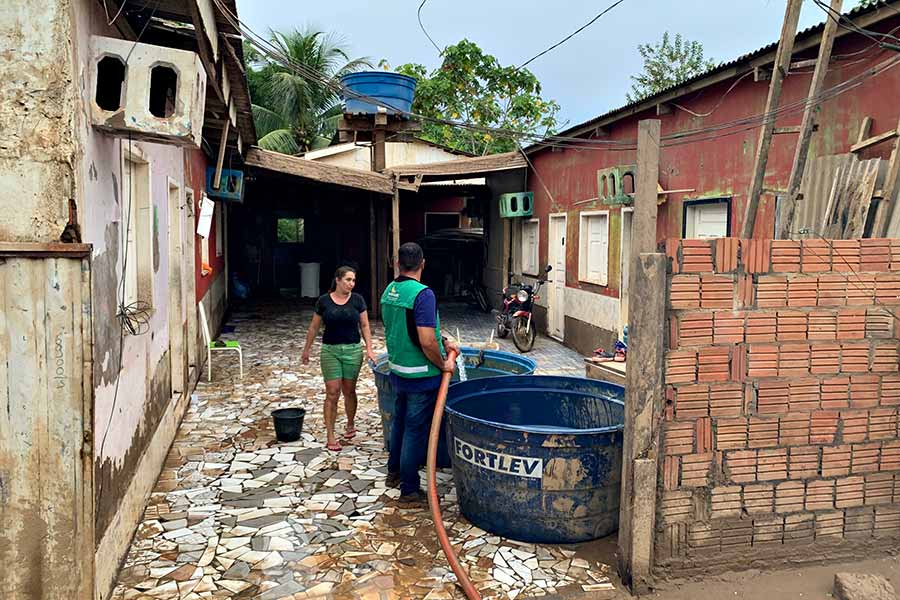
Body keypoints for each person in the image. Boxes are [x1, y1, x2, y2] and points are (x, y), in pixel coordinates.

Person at [380, 242, 457, 504]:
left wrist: (443, 339)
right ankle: (410, 489)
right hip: (421, 375)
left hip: (398, 370)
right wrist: (444, 363)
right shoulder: (423, 294)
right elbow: (425, 340)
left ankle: (394, 472)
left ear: (397, 263)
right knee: (415, 429)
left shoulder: (390, 290)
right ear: (422, 263)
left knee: (399, 422)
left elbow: (411, 328)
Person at [302, 266, 377, 452]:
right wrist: (306, 350)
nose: (351, 283)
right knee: (332, 392)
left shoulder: (358, 300)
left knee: (349, 390)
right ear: (338, 280)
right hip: (330, 351)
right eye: (348, 280)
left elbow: (365, 325)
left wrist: (369, 349)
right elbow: (314, 327)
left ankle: (350, 424)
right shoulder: (324, 301)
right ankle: (330, 435)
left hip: (353, 350)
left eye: (353, 280)